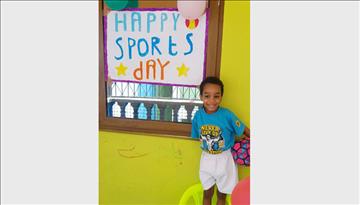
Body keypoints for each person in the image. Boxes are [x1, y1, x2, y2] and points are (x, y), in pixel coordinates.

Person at [191, 76, 250, 205]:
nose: (212, 100)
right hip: (206, 158)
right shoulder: (198, 116)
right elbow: (197, 136)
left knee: (221, 195)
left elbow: (243, 128)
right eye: (207, 96)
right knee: (207, 193)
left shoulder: (227, 114)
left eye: (216, 96)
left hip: (225, 159)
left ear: (221, 97)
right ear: (201, 96)